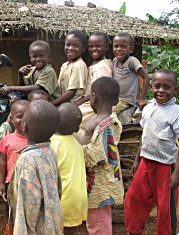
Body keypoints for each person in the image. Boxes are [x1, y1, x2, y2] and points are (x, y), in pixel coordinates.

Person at [124, 69, 179, 235]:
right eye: (157, 86)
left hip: (165, 167)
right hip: (145, 163)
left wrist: (176, 173)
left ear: (175, 90)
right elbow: (144, 135)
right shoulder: (148, 108)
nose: (161, 90)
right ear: (151, 88)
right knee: (134, 199)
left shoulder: (176, 113)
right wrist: (136, 160)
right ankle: (133, 230)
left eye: (167, 87)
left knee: (165, 208)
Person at [8, 100, 63, 235]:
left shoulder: (27, 160)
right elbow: (58, 187)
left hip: (37, 229)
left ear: (24, 125)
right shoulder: (50, 152)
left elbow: (29, 203)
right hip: (53, 222)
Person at [81, 76, 124, 235]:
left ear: (93, 97)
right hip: (101, 180)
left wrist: (77, 150)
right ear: (116, 100)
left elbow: (96, 155)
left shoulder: (104, 125)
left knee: (98, 223)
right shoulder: (108, 121)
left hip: (100, 183)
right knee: (97, 220)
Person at [50, 102, 88, 235]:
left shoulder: (50, 145)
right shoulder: (77, 144)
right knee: (70, 230)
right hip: (78, 199)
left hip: (61, 199)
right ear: (77, 129)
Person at [0, 100, 29, 232]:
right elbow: (2, 162)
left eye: (28, 117)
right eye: (19, 117)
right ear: (11, 118)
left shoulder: (36, 139)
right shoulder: (7, 139)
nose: (24, 121)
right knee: (10, 209)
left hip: (30, 183)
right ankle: (10, 230)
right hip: (11, 183)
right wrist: (1, 183)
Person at [75, 31, 113, 115]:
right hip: (89, 101)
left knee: (71, 115)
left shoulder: (102, 66)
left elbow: (99, 91)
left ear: (106, 47)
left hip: (94, 104)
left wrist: (81, 101)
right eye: (91, 46)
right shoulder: (96, 64)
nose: (94, 49)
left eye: (98, 46)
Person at [112, 32, 150, 113]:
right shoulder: (114, 60)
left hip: (126, 101)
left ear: (131, 49)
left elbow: (146, 77)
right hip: (115, 99)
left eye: (123, 46)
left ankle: (113, 125)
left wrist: (142, 98)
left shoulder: (131, 61)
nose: (118, 49)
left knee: (110, 113)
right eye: (116, 46)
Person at [51, 29, 89, 106]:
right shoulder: (64, 65)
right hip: (63, 102)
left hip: (71, 105)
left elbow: (71, 93)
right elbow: (59, 89)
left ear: (83, 48)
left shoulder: (79, 65)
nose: (71, 48)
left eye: (76, 45)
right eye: (68, 44)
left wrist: (51, 103)